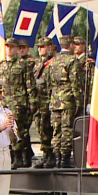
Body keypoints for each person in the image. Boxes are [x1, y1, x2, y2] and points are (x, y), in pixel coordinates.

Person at [0, 38, 33, 168]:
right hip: (4, 102)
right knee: (6, 129)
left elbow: (29, 85)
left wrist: (31, 102)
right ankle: (12, 155)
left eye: (12, 47)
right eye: (7, 46)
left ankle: (20, 156)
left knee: (19, 130)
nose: (9, 49)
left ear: (16, 49)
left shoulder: (22, 65)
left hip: (18, 102)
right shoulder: (0, 65)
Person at [49, 35, 83, 168]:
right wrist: (79, 101)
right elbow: (75, 82)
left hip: (55, 99)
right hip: (67, 100)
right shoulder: (72, 60)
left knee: (56, 130)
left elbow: (48, 81)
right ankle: (65, 159)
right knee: (67, 129)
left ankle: (56, 157)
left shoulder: (53, 61)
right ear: (70, 45)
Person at [32, 38, 56, 168]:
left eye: (44, 46)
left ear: (50, 47)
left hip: (49, 100)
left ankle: (52, 155)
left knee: (49, 128)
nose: (40, 49)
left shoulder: (53, 63)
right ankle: (45, 155)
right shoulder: (37, 64)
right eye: (39, 47)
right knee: (40, 128)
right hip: (38, 101)